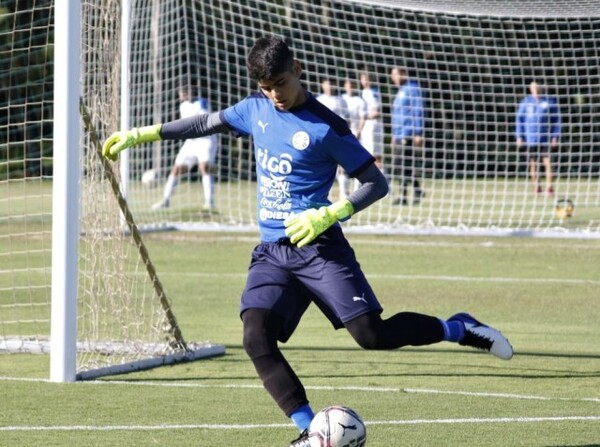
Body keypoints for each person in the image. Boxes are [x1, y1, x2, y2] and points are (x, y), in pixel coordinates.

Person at [102, 35, 513, 447]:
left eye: (280, 83)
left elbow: (376, 183)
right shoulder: (255, 109)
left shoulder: (327, 126)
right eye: (266, 87)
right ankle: (309, 429)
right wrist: (143, 133)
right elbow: (203, 123)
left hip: (320, 248)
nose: (274, 94)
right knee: (254, 334)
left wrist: (332, 211)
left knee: (372, 336)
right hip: (272, 251)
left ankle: (460, 328)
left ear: (296, 70)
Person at [151, 87, 217, 211]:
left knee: (204, 168)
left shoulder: (202, 103)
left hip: (206, 140)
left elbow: (202, 122)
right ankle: (166, 200)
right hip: (191, 141)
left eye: (185, 92)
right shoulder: (183, 106)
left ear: (191, 92)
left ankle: (209, 203)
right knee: (176, 169)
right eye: (181, 93)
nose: (183, 95)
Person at [516, 81, 561, 197]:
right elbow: (519, 120)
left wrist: (555, 136)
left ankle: (549, 187)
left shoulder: (549, 102)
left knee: (548, 162)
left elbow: (556, 120)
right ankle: (537, 187)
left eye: (538, 87)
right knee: (533, 164)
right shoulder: (526, 102)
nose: (536, 89)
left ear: (542, 88)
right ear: (530, 89)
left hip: (545, 138)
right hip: (531, 138)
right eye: (533, 87)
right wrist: (519, 136)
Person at [390, 66, 425, 206]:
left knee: (403, 165)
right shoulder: (400, 91)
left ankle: (404, 196)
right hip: (398, 135)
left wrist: (418, 132)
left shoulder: (412, 88)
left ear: (404, 74)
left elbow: (418, 110)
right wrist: (394, 135)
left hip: (408, 134)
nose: (393, 78)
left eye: (395, 74)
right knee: (402, 167)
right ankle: (416, 190)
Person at [316, 77, 351, 200]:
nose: (330, 86)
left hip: (337, 137)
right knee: (323, 166)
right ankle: (324, 193)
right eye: (327, 83)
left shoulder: (341, 101)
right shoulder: (318, 100)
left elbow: (346, 120)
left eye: (332, 83)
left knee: (341, 166)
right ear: (322, 84)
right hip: (321, 139)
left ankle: (343, 193)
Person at [358, 68, 385, 176]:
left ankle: (382, 180)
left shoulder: (374, 92)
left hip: (375, 124)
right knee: (371, 154)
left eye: (367, 79)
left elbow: (377, 110)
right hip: (370, 125)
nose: (365, 81)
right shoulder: (362, 93)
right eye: (363, 78)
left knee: (376, 155)